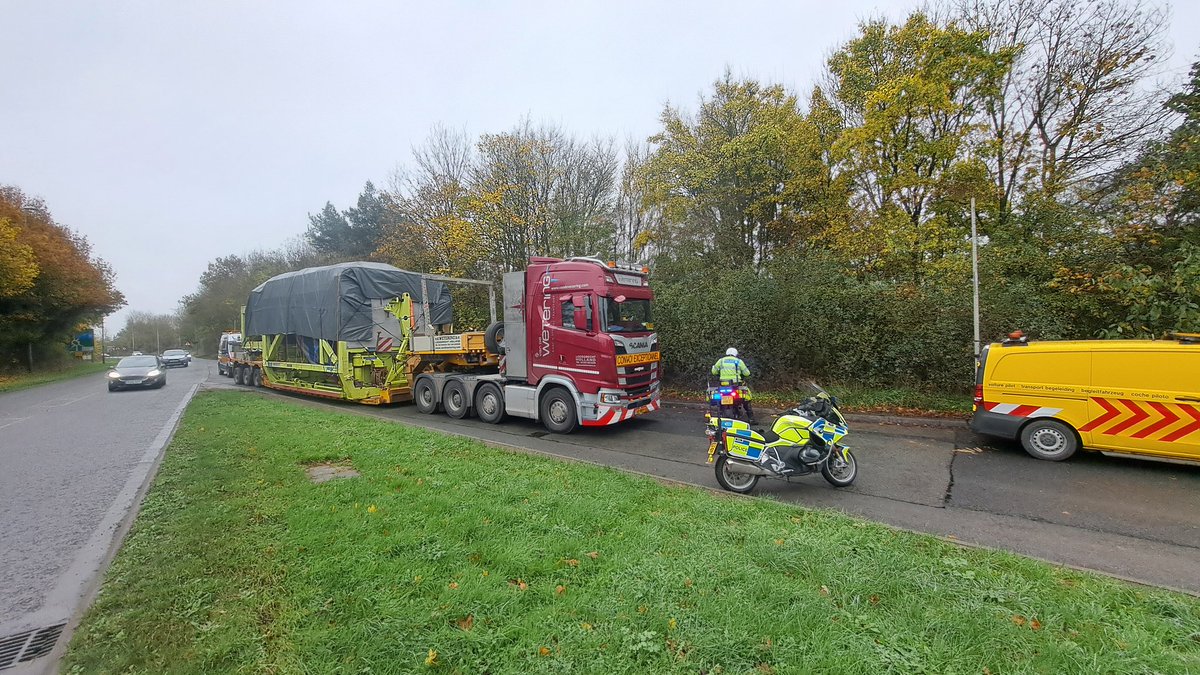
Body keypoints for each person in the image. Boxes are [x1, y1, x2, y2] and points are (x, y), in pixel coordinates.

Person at [711, 347, 755, 423]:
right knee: (746, 397)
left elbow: (714, 372)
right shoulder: (738, 361)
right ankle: (751, 418)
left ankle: (721, 412)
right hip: (735, 385)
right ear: (736, 354)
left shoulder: (721, 361)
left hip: (723, 385)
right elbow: (747, 373)